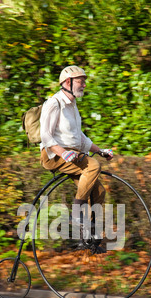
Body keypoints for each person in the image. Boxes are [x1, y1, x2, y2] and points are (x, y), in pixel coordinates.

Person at [40, 65, 113, 252]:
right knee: (93, 166)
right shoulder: (54, 103)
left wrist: (100, 150)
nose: (84, 85)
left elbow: (79, 137)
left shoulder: (72, 106)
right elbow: (46, 137)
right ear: (67, 82)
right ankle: (76, 212)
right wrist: (63, 153)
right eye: (81, 81)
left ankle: (90, 239)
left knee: (98, 192)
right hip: (55, 155)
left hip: (73, 155)